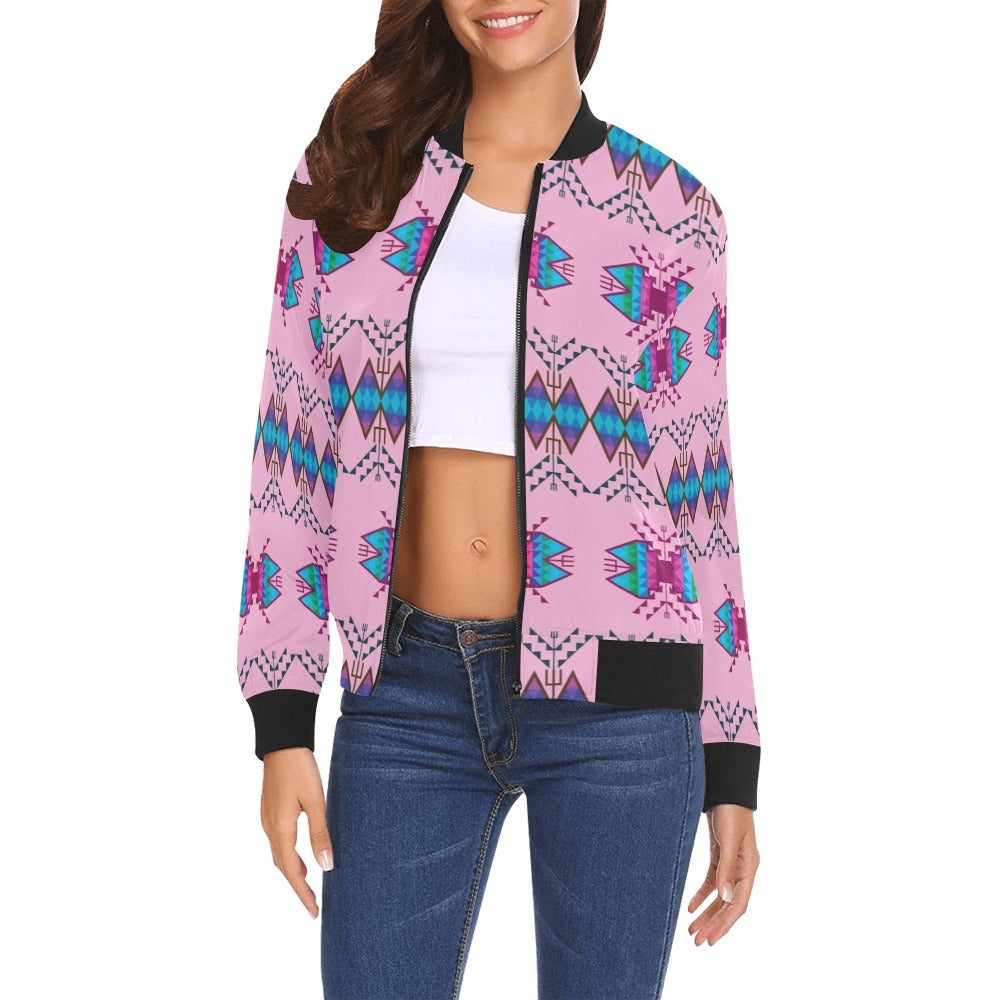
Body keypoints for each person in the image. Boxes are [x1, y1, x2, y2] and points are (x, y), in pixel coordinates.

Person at [235, 2, 761, 997]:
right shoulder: (354, 181)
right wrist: (283, 716)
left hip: (622, 706)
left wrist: (732, 756)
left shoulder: (672, 210)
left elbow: (703, 489)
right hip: (406, 693)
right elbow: (291, 451)